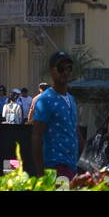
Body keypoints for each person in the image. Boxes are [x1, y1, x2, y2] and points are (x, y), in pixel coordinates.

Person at [31, 51, 81, 179]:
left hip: (72, 165)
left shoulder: (71, 99)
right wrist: (40, 172)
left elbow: (75, 130)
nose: (65, 72)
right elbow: (37, 135)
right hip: (55, 165)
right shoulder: (46, 99)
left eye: (69, 68)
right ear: (52, 71)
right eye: (61, 68)